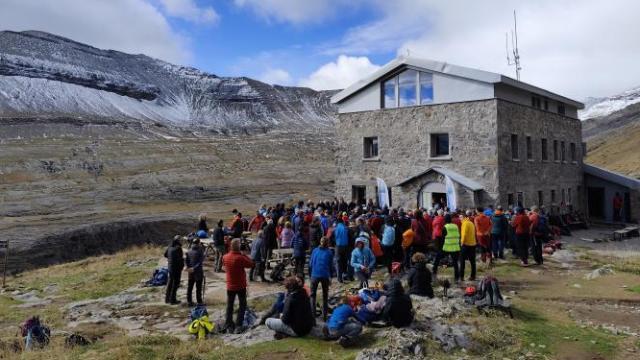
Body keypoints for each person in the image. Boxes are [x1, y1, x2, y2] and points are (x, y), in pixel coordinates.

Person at [222, 239, 254, 334]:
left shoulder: (225, 257)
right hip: (240, 285)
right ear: (238, 247)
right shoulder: (240, 257)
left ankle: (228, 323)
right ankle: (238, 325)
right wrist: (243, 254)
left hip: (230, 285)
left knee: (230, 305)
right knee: (242, 305)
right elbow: (251, 264)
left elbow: (224, 266)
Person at [309, 237, 333, 321]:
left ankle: (312, 315)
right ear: (328, 243)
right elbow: (331, 266)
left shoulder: (315, 250)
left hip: (315, 274)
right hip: (325, 275)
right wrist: (331, 277)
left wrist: (310, 275)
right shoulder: (329, 252)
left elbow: (311, 264)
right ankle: (325, 316)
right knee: (325, 296)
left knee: (312, 295)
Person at [432, 215, 461, 282]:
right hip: (455, 247)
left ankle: (434, 271)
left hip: (447, 247)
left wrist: (440, 247)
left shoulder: (445, 227)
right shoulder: (455, 226)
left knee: (437, 258)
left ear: (445, 220)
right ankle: (456, 277)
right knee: (455, 263)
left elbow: (442, 239)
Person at [164, 236, 184, 305]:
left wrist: (170, 258)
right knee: (175, 284)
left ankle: (167, 299)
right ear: (178, 241)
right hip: (176, 268)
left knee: (170, 283)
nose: (182, 241)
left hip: (170, 267)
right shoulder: (178, 248)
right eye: (181, 240)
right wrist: (182, 266)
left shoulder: (170, 247)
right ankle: (173, 300)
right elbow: (180, 259)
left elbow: (165, 255)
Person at [185, 237, 205, 306]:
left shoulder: (189, 251)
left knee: (190, 287)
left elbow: (186, 261)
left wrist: (188, 268)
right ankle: (199, 302)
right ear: (198, 243)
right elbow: (200, 262)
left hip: (190, 272)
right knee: (198, 288)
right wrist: (194, 268)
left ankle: (189, 301)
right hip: (198, 272)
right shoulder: (200, 251)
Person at [460, 210, 477, 281]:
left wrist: (462, 242)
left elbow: (464, 234)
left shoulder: (465, 223)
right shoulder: (471, 223)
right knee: (472, 261)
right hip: (473, 243)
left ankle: (461, 276)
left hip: (466, 244)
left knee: (462, 260)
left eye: (460, 217)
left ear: (464, 217)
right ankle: (473, 276)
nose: (459, 219)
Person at [333, 218, 350, 283]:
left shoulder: (336, 228)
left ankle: (339, 278)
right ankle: (344, 275)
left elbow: (333, 237)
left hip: (338, 246)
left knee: (338, 262)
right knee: (344, 261)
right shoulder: (345, 228)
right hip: (345, 246)